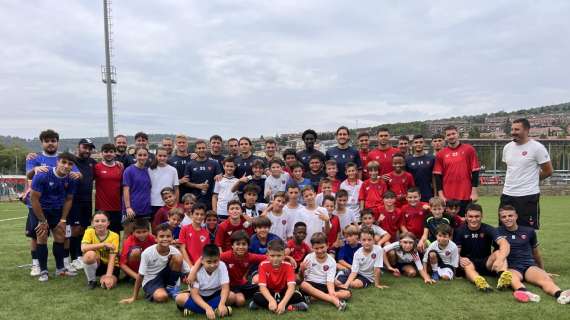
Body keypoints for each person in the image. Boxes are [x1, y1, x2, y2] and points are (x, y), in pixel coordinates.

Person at [498, 205, 570, 304]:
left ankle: (561, 294)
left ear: (516, 216)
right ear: (500, 219)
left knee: (545, 280)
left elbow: (536, 252)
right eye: (504, 217)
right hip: (512, 266)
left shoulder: (529, 231)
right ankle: (524, 292)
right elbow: (497, 252)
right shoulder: (497, 232)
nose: (507, 219)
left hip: (528, 266)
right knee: (511, 278)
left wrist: (543, 270)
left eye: (510, 215)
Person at [29, 152, 78, 281]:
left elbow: (68, 199)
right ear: (57, 161)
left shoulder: (71, 179)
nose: (66, 166)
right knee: (42, 236)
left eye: (70, 164)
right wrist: (42, 220)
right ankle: (43, 271)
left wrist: (63, 219)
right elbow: (34, 199)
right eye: (64, 162)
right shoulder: (42, 175)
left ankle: (60, 269)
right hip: (41, 210)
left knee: (60, 236)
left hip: (57, 210)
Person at [500, 118, 553, 229]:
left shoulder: (537, 148)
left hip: (528, 196)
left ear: (527, 130)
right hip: (507, 195)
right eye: (512, 129)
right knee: (504, 231)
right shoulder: (507, 148)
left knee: (527, 232)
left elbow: (548, 171)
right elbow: (511, 169)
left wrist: (531, 180)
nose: (513, 132)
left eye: (517, 129)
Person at [120, 224, 191, 304]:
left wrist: (194, 289)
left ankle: (171, 288)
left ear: (172, 238)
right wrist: (134, 297)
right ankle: (161, 291)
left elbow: (188, 272)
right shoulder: (147, 253)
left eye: (168, 236)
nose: (165, 239)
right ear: (156, 239)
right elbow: (140, 275)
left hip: (166, 277)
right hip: (151, 280)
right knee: (161, 297)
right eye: (161, 236)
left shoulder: (175, 251)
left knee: (178, 257)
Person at [454, 203, 512, 292]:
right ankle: (480, 282)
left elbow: (505, 243)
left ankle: (503, 276)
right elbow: (456, 251)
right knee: (467, 264)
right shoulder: (460, 231)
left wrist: (500, 259)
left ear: (482, 216)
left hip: (486, 263)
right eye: (470, 216)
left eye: (477, 216)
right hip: (469, 262)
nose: (474, 219)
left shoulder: (489, 229)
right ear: (465, 216)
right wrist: (459, 258)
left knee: (498, 253)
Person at [249, 239, 309, 312]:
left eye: (279, 255)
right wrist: (271, 300)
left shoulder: (288, 266)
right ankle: (290, 306)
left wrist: (283, 303)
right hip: (270, 292)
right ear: (267, 255)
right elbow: (262, 287)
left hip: (283, 291)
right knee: (256, 296)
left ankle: (268, 305)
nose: (276, 259)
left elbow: (291, 287)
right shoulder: (262, 265)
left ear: (284, 256)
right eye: (272, 256)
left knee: (297, 296)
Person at [433, 125, 480, 216]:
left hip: (465, 194)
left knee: (466, 223)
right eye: (448, 135)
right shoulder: (441, 154)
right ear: (446, 137)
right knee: (448, 225)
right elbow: (438, 176)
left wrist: (474, 192)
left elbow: (475, 171)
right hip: (448, 196)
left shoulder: (469, 149)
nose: (451, 136)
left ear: (458, 134)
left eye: (453, 133)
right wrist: (441, 195)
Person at [175, 244, 232, 318]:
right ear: (202, 260)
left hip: (215, 295)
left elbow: (225, 288)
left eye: (215, 261)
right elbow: (194, 294)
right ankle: (214, 309)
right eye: (209, 262)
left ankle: (193, 309)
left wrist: (221, 304)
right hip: (200, 296)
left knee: (232, 296)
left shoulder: (222, 265)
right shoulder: (195, 271)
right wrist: (207, 308)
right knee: (179, 298)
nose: (212, 265)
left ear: (219, 259)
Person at [299, 232, 351, 311]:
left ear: (327, 245)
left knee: (347, 294)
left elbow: (329, 282)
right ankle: (333, 300)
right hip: (311, 285)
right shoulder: (309, 258)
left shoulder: (331, 261)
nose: (319, 251)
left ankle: (315, 297)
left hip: (325, 285)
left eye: (322, 247)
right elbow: (302, 279)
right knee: (303, 285)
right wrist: (302, 270)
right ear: (312, 247)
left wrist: (332, 293)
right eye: (316, 248)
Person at [68, 138, 97, 271]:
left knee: (84, 229)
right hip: (73, 200)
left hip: (87, 201)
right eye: (85, 147)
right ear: (78, 147)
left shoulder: (92, 162)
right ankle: (74, 258)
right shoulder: (71, 160)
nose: (87, 150)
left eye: (89, 148)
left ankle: (80, 255)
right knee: (75, 229)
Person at [220, 230, 267, 307]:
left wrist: (288, 258)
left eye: (244, 244)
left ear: (248, 245)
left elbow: (268, 258)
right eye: (237, 244)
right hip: (227, 286)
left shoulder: (250, 256)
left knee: (241, 302)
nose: (241, 247)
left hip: (240, 284)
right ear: (232, 245)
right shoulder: (226, 256)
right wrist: (193, 272)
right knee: (234, 299)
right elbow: (206, 258)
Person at [81, 212, 120, 289]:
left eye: (103, 221)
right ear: (92, 223)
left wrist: (108, 276)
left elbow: (112, 258)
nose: (100, 223)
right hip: (97, 263)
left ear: (108, 223)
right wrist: (103, 244)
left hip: (111, 265)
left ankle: (104, 278)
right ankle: (92, 281)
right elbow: (83, 248)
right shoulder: (89, 231)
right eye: (97, 221)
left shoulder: (114, 236)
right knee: (89, 255)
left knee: (108, 284)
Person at [94, 143, 123, 234]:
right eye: (106, 152)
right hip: (101, 208)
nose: (108, 154)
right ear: (101, 153)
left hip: (117, 208)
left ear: (115, 153)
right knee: (100, 235)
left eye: (111, 152)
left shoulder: (120, 167)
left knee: (115, 234)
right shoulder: (97, 167)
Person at [183, 140, 222, 209]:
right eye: (199, 148)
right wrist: (197, 186)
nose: (201, 150)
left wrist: (220, 176)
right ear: (195, 149)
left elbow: (221, 178)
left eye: (203, 148)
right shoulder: (190, 164)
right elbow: (185, 182)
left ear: (207, 149)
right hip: (196, 199)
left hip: (211, 199)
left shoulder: (214, 163)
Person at [122, 147, 152, 233]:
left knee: (144, 235)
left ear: (148, 156)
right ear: (135, 156)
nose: (142, 157)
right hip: (131, 210)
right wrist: (128, 207)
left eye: (144, 155)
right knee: (128, 234)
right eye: (140, 155)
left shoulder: (148, 170)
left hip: (145, 209)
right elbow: (126, 190)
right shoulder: (129, 170)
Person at [149, 147, 179, 218]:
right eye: (160, 156)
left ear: (167, 156)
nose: (162, 158)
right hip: (154, 203)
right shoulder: (150, 170)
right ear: (156, 156)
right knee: (155, 226)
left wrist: (176, 204)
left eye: (164, 156)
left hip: (169, 203)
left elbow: (176, 188)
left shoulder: (173, 170)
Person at [406, 135, 435, 202]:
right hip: (413, 195)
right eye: (416, 142)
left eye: (421, 142)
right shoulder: (408, 160)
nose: (418, 144)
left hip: (428, 193)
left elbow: (434, 177)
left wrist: (435, 194)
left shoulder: (432, 158)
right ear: (412, 144)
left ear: (424, 143)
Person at [168, 134, 193, 201]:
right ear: (176, 144)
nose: (182, 144)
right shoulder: (170, 160)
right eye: (179, 142)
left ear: (187, 144)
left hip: (192, 194)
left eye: (183, 142)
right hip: (177, 194)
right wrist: (179, 181)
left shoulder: (193, 158)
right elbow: (167, 180)